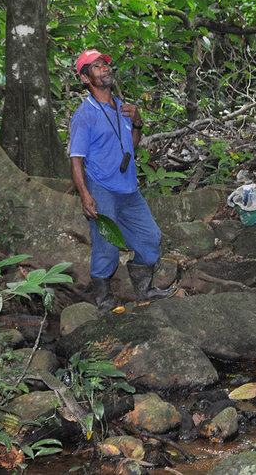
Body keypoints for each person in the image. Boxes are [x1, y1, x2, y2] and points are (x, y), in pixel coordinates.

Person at [69, 49, 175, 313]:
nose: (104, 68)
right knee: (105, 245)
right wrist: (85, 195)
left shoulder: (123, 108)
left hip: (129, 189)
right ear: (85, 78)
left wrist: (137, 123)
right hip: (102, 188)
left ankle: (144, 290)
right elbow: (76, 160)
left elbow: (131, 146)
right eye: (96, 66)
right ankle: (105, 302)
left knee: (150, 238)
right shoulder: (85, 115)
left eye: (105, 63)